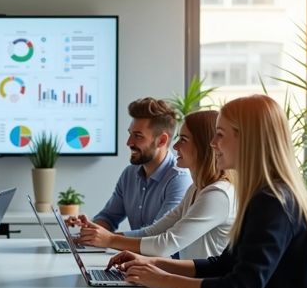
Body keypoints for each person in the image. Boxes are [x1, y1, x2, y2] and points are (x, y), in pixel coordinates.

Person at [108, 95, 307, 288]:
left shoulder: (272, 202)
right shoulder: (261, 195)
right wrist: (154, 264)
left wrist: (163, 279)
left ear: (248, 139)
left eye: (220, 135)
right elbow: (223, 265)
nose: (212, 143)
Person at [78, 110, 235, 259]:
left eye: (183, 140)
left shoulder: (216, 195)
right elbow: (153, 232)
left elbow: (166, 244)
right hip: (192, 282)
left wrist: (110, 240)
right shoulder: (196, 189)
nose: (175, 146)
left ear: (204, 146)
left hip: (205, 285)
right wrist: (99, 236)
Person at [69, 97, 192, 242]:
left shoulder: (179, 179)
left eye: (138, 136)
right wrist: (89, 230)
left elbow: (157, 235)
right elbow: (108, 217)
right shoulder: (130, 174)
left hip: (163, 263)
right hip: (135, 259)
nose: (129, 143)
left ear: (162, 140)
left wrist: (108, 238)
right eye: (130, 134)